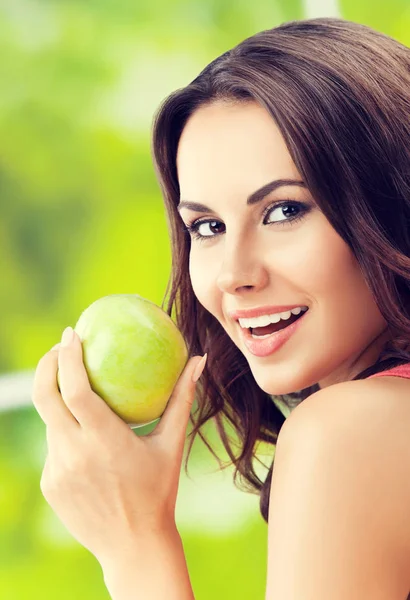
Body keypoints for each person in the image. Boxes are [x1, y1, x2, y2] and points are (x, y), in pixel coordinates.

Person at [32, 17, 410, 599]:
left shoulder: (347, 434)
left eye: (284, 211)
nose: (234, 274)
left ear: (387, 198)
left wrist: (135, 546)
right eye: (206, 227)